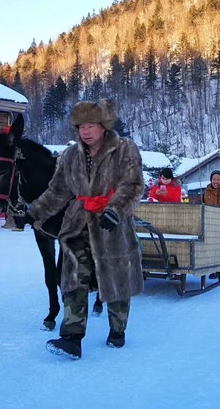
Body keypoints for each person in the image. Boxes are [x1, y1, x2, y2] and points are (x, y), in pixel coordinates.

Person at [27, 99, 145, 360]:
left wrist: (115, 211)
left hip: (112, 225)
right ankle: (71, 337)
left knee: (115, 278)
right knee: (73, 278)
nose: (85, 131)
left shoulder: (124, 149)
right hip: (77, 223)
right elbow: (57, 191)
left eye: (91, 125)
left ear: (103, 126)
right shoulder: (70, 156)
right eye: (81, 126)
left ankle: (117, 329)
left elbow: (133, 184)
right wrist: (34, 212)